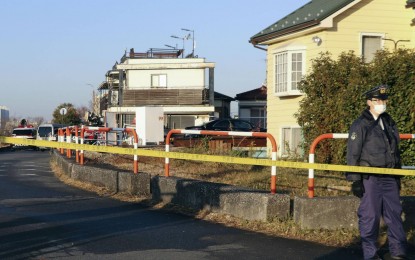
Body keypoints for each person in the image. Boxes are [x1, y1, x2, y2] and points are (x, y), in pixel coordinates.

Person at [346, 85, 408, 260]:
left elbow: (395, 151)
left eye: (383, 100)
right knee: (370, 217)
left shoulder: (389, 122)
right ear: (369, 102)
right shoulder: (360, 124)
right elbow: (353, 154)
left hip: (389, 176)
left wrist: (397, 175)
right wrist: (355, 180)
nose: (381, 103)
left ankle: (398, 252)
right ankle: (370, 254)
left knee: (394, 215)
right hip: (370, 178)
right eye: (377, 100)